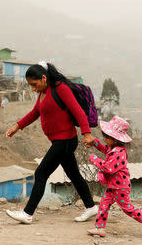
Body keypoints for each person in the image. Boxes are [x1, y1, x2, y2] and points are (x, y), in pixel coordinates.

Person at [5, 61, 98, 224]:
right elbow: (35, 112)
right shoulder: (43, 92)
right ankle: (91, 207)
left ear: (43, 78)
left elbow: (78, 110)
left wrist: (87, 133)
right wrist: (17, 126)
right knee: (74, 175)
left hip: (65, 141)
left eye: (34, 84)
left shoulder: (60, 88)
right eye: (30, 86)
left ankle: (27, 213)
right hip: (59, 141)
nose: (33, 88)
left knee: (41, 173)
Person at [86, 116, 142, 237]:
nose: (104, 139)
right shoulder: (113, 148)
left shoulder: (119, 152)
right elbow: (105, 149)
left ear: (114, 139)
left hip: (120, 187)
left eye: (106, 137)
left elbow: (108, 168)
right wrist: (95, 142)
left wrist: (94, 159)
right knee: (104, 204)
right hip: (113, 185)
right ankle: (99, 228)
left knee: (127, 208)